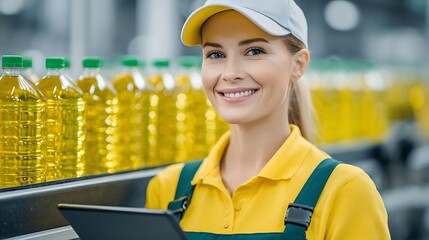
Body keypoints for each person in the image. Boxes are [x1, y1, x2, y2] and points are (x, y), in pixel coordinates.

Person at [146, 0, 390, 239]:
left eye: (254, 51)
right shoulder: (168, 188)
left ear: (298, 64)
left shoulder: (345, 191)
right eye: (215, 54)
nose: (230, 73)